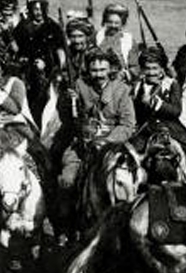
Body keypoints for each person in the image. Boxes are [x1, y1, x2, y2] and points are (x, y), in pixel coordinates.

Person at [57, 48, 136, 203]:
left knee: (127, 178)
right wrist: (70, 101)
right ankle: (65, 223)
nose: (99, 75)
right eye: (94, 70)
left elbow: (127, 124)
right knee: (67, 180)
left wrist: (106, 141)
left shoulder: (121, 90)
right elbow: (71, 119)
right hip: (83, 145)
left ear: (111, 69)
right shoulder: (80, 85)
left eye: (102, 70)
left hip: (113, 145)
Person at [131, 46, 186, 175]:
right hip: (146, 129)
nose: (151, 72)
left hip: (171, 129)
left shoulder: (171, 84)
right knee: (129, 156)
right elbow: (137, 114)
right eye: (147, 68)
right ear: (142, 69)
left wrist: (156, 103)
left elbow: (176, 111)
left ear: (162, 69)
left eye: (155, 68)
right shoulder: (138, 86)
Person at [12, 0, 66, 124]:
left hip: (48, 70)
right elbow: (16, 48)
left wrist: (51, 64)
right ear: (30, 9)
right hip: (28, 70)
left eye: (41, 9)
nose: (39, 12)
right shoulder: (23, 26)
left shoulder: (53, 26)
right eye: (35, 9)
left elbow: (60, 50)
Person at [96, 4, 138, 80]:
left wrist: (124, 74)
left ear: (122, 23)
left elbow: (135, 67)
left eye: (116, 23)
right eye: (110, 22)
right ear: (105, 21)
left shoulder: (128, 40)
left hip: (121, 81)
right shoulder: (98, 37)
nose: (113, 26)